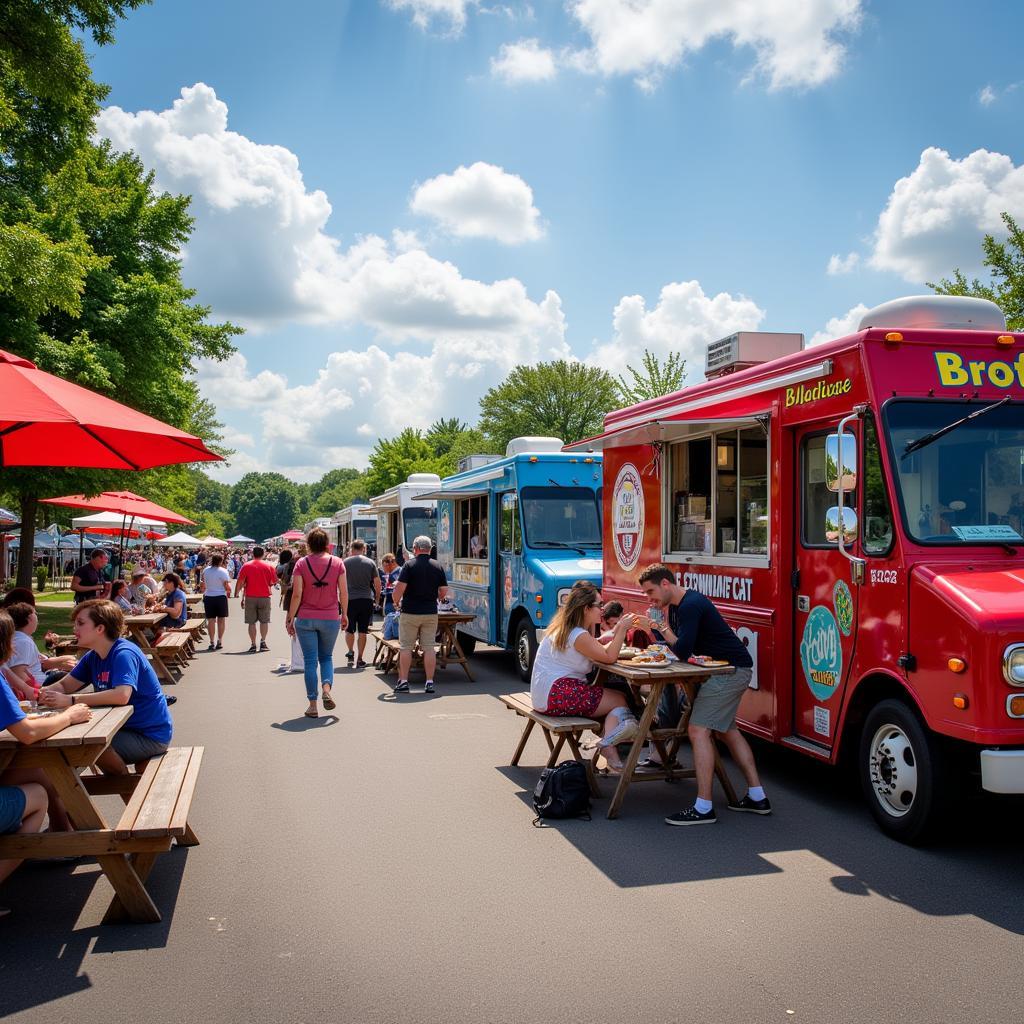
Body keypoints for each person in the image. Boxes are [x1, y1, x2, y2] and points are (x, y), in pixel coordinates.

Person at [636, 564, 769, 825]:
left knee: (698, 731)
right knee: (727, 730)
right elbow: (671, 646)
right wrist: (658, 626)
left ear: (665, 584)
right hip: (728, 669)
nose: (648, 598)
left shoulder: (689, 605)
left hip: (730, 671)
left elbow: (682, 649)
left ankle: (704, 807)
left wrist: (660, 627)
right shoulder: (676, 606)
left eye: (650, 591)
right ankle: (757, 796)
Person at [39, 600, 173, 775]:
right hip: (119, 729)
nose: (74, 629)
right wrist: (42, 694)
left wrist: (71, 700)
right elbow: (65, 685)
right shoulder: (93, 657)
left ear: (100, 628)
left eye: (80, 623)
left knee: (89, 746)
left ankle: (130, 793)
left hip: (149, 736)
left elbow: (121, 695)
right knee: (77, 746)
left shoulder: (124, 654)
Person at [530, 586, 640, 771]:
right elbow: (609, 657)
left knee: (615, 695)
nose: (603, 610)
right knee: (620, 699)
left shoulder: (564, 628)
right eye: (600, 605)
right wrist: (621, 630)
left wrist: (609, 636)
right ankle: (608, 744)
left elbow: (592, 647)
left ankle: (608, 744)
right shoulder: (578, 634)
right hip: (557, 695)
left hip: (544, 696)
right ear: (586, 608)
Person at [285, 528, 347, 718]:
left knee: (310, 662)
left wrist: (290, 618)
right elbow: (343, 592)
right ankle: (327, 689)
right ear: (328, 544)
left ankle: (313, 705)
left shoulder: (301, 564)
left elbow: (297, 594)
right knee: (326, 657)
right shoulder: (338, 563)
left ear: (309, 544)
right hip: (330, 617)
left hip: (306, 618)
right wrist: (344, 614)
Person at [392, 535, 448, 695]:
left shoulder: (409, 565)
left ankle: (403, 682)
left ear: (415, 549)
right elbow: (444, 590)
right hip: (430, 612)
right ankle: (429, 682)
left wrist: (396, 602)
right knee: (429, 647)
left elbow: (399, 589)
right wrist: (436, 597)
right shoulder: (437, 566)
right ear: (430, 549)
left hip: (410, 611)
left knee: (406, 648)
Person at [1, 602, 76, 694]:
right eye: (35, 614)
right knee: (78, 677)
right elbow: (18, 672)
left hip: (41, 677)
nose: (37, 617)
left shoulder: (20, 638)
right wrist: (35, 690)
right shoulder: (23, 641)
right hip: (41, 684)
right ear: (29, 618)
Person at [343, 539, 381, 670]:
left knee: (349, 629)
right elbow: (377, 583)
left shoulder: (345, 563)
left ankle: (350, 651)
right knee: (363, 631)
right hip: (366, 599)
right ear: (364, 549)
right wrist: (376, 598)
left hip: (350, 600)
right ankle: (360, 658)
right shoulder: (370, 563)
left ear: (352, 549)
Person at [235, 546, 277, 653]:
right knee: (264, 621)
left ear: (252, 554)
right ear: (263, 554)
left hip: (250, 596)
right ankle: (263, 642)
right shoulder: (269, 566)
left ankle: (253, 644)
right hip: (264, 597)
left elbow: (240, 581)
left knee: (251, 622)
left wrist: (236, 593)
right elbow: (272, 582)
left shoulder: (246, 565)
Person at [200, 553, 232, 651]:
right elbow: (227, 587)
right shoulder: (223, 571)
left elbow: (202, 585)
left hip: (209, 596)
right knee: (221, 620)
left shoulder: (205, 571)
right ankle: (219, 640)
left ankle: (211, 642)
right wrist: (229, 590)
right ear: (221, 561)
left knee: (211, 620)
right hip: (220, 597)